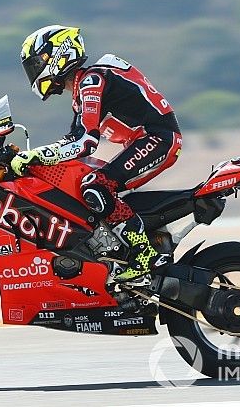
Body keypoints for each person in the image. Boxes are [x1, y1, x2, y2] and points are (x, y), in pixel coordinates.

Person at [11, 25, 182, 285]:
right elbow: (72, 141)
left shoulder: (92, 80)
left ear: (59, 54)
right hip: (148, 140)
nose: (34, 71)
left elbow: (84, 142)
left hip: (157, 139)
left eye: (38, 63)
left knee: (96, 186)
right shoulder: (84, 88)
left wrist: (34, 156)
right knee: (86, 183)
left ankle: (144, 255)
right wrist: (35, 159)